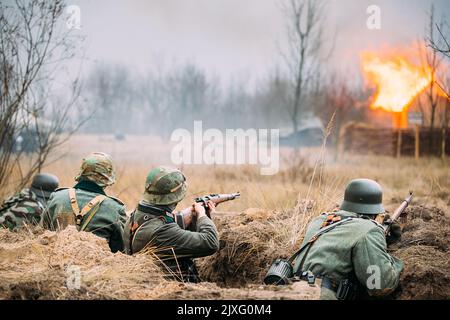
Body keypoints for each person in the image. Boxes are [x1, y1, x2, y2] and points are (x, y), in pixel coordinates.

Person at [292, 178, 404, 300]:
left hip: (292, 288)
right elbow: (380, 285)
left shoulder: (320, 220)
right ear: (375, 211)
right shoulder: (369, 229)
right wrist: (395, 262)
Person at [123, 166, 219, 283]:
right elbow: (210, 242)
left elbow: (170, 225)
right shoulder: (162, 230)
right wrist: (202, 215)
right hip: (173, 287)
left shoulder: (136, 214)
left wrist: (192, 217)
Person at [44, 152, 126, 253]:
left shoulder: (57, 197)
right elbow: (121, 249)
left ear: (82, 172)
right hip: (97, 265)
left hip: (53, 259)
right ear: (107, 179)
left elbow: (42, 233)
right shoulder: (115, 208)